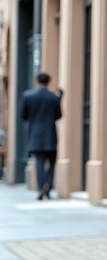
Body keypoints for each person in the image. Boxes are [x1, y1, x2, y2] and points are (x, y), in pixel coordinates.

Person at [21, 72, 62, 200]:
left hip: (35, 134)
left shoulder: (28, 96)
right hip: (50, 134)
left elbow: (23, 115)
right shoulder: (53, 97)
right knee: (52, 162)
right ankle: (47, 185)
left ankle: (41, 187)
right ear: (49, 81)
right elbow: (59, 115)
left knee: (39, 161)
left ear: (37, 80)